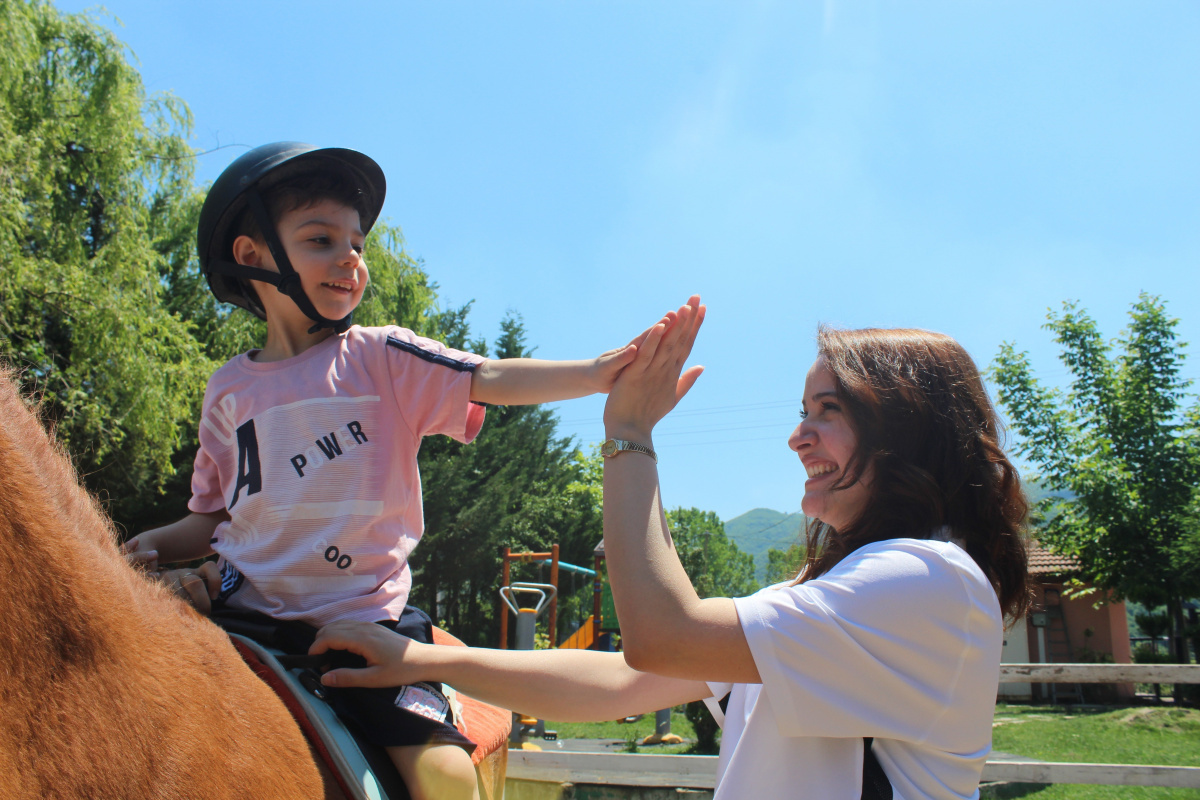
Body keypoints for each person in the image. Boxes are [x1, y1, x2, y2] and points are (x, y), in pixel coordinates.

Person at [310, 296, 1033, 800]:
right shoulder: (841, 596)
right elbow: (626, 680)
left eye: (830, 411)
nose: (797, 436)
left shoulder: (923, 579)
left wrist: (629, 434)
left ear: (906, 432)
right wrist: (424, 661)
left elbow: (662, 636)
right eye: (803, 411)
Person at [121, 142, 658, 800]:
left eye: (357, 243)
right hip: (243, 614)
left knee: (445, 778)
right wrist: (144, 547)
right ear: (252, 256)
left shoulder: (381, 358)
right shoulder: (227, 390)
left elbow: (488, 376)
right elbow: (210, 519)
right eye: (322, 239)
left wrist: (598, 375)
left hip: (364, 624)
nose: (351, 257)